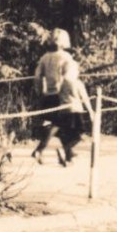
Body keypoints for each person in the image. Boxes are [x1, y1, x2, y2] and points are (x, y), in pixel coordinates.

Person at [31, 29, 77, 163]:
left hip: (48, 95)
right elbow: (69, 78)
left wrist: (40, 92)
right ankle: (40, 150)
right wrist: (71, 94)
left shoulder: (44, 57)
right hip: (60, 95)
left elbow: (38, 77)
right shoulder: (66, 57)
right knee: (61, 124)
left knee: (59, 124)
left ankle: (68, 153)